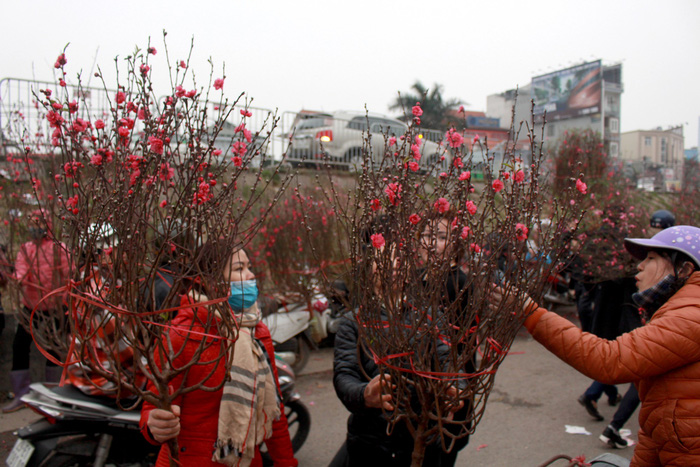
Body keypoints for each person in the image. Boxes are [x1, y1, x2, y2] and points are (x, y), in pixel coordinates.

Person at [504, 225, 700, 466]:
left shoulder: (690, 315)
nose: (639, 266)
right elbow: (655, 430)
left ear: (685, 269)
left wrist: (532, 314)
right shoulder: (679, 310)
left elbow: (610, 360)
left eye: (650, 259)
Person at [141, 246, 297, 467]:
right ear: (209, 281)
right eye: (239, 268)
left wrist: (286, 462)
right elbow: (151, 411)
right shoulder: (179, 336)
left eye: (249, 267)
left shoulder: (256, 331)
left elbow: (275, 411)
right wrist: (155, 425)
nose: (251, 275)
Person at [333, 221, 462, 466]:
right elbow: (344, 374)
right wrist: (363, 394)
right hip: (371, 443)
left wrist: (455, 384)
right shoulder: (353, 322)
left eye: (399, 259)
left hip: (423, 437)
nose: (392, 265)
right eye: (383, 258)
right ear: (367, 266)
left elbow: (448, 359)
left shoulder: (430, 315)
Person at [599, 210, 677, 449]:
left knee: (641, 375)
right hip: (633, 320)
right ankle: (612, 423)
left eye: (651, 258)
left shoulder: (679, 316)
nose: (640, 266)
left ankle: (611, 422)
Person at [3, 210, 71, 413]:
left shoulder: (60, 249)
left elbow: (69, 275)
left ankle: (55, 393)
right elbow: (21, 272)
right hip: (31, 306)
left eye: (39, 222)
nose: (35, 227)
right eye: (32, 222)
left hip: (57, 307)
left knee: (55, 349)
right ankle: (21, 394)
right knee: (19, 345)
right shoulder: (26, 249)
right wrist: (14, 277)